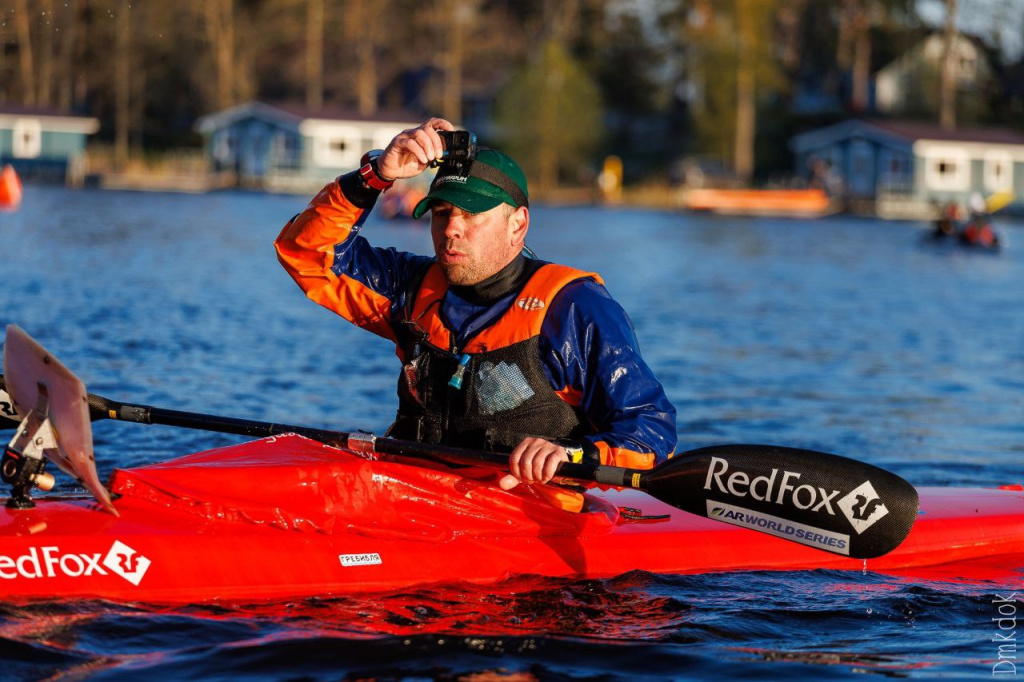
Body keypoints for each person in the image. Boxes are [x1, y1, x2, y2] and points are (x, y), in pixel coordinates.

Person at [275, 118, 676, 495]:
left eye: (471, 215)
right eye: (443, 212)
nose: (451, 228)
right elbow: (305, 254)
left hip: (530, 511)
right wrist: (377, 174)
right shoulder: (411, 289)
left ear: (517, 224)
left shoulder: (575, 307)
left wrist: (571, 454)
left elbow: (649, 431)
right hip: (413, 493)